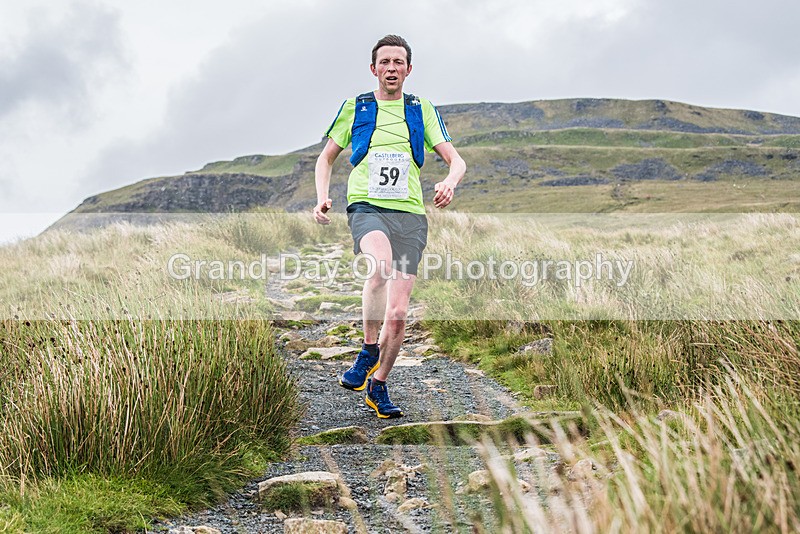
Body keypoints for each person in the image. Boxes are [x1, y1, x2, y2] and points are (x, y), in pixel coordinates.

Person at [313, 34, 466, 419]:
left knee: (398, 315)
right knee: (378, 267)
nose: (392, 68)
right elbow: (325, 159)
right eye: (385, 62)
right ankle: (368, 348)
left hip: (410, 214)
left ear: (409, 69)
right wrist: (322, 197)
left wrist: (449, 182)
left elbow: (457, 161)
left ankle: (378, 383)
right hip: (367, 206)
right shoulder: (356, 107)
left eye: (399, 62)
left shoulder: (421, 109)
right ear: (374, 69)